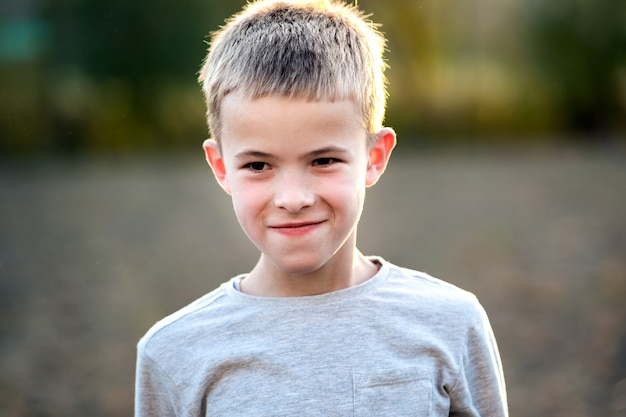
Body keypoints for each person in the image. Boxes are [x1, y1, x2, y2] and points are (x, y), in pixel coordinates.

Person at [134, 0, 508, 416]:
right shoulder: (173, 352)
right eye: (258, 165)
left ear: (374, 156)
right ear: (221, 167)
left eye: (323, 161)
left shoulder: (451, 324)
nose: (293, 199)